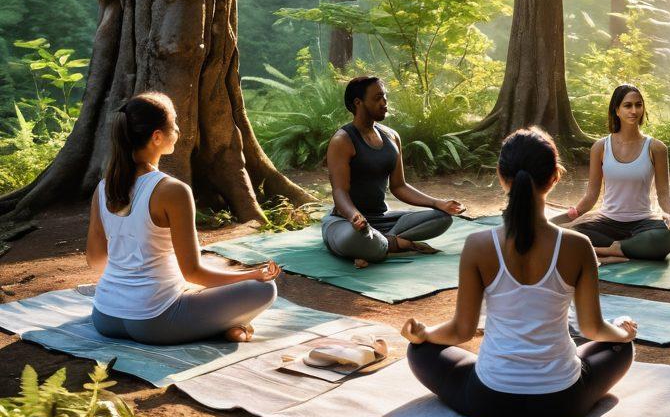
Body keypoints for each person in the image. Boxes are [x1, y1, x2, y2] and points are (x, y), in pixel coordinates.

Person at [401, 127, 637, 417]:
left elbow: (461, 331)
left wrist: (424, 334)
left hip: (490, 400)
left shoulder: (478, 245)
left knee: (419, 350)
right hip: (562, 402)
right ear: (555, 177)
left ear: (501, 177)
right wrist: (623, 332)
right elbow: (592, 328)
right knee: (620, 347)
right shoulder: (578, 246)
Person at [87, 93, 280, 345]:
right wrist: (251, 275)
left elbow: (95, 259)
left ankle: (222, 323)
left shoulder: (103, 188)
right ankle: (230, 324)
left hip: (105, 316)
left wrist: (127, 289)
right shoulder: (172, 190)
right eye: (174, 122)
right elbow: (194, 273)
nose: (178, 129)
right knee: (264, 289)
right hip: (154, 322)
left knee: (212, 275)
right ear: (157, 137)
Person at [322, 75, 465, 266]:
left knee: (442, 218)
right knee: (354, 239)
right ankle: (395, 244)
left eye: (385, 97)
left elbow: (399, 186)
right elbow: (339, 191)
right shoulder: (343, 141)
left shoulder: (392, 136)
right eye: (377, 98)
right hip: (347, 223)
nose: (384, 103)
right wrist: (354, 216)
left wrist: (438, 203)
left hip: (383, 221)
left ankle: (382, 245)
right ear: (358, 103)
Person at [563, 84, 670, 265]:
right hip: (607, 223)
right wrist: (570, 217)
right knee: (566, 234)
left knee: (665, 239)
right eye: (628, 105)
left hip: (643, 222)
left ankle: (606, 251)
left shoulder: (656, 148)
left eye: (638, 105)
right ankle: (623, 249)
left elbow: (663, 193)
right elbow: (591, 195)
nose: (634, 110)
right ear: (616, 110)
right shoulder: (600, 147)